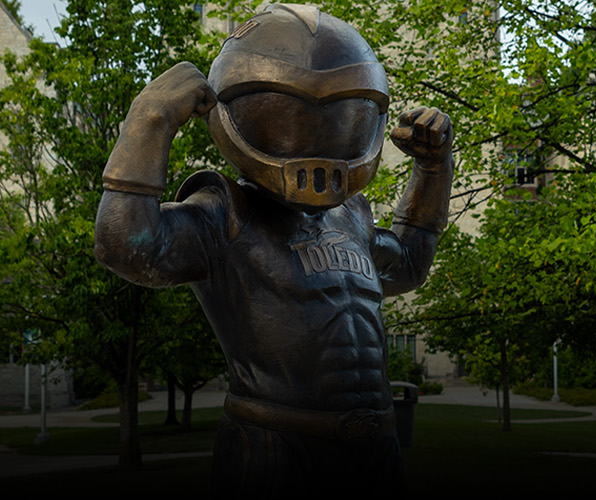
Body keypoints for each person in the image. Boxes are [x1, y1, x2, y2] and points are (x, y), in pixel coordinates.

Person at [93, 4, 452, 493]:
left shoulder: (352, 217)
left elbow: (410, 262)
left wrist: (433, 171)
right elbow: (126, 247)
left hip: (375, 447)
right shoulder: (226, 214)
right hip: (275, 449)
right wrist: (148, 122)